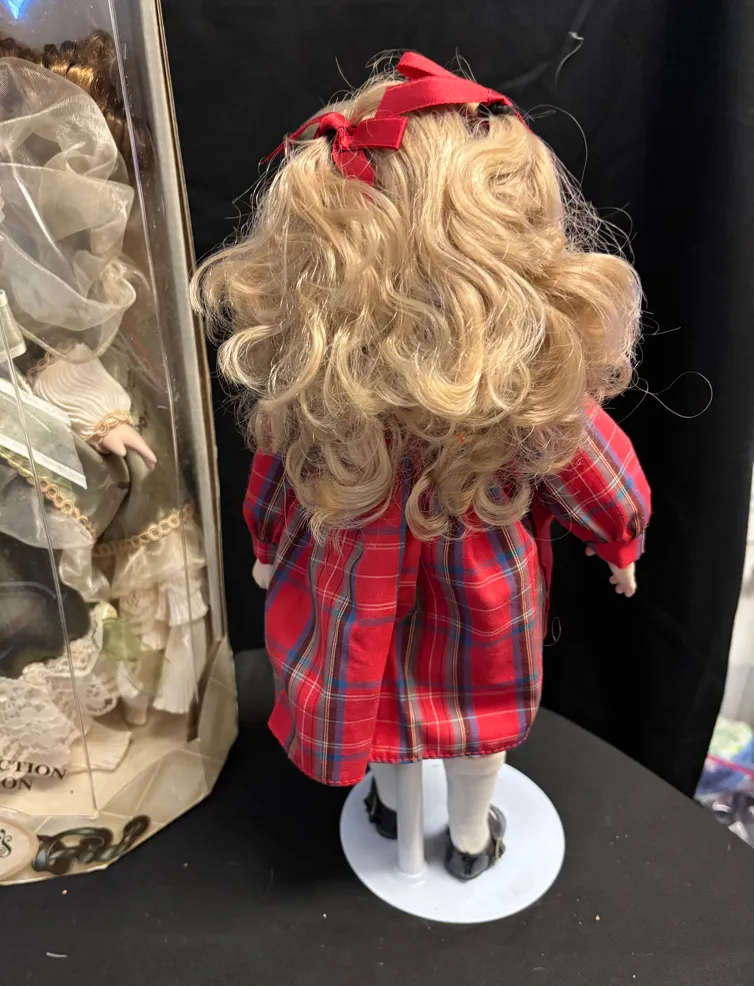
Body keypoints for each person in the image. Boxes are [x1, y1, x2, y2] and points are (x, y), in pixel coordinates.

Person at [194, 52, 651, 880]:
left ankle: (413, 811)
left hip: (355, 585)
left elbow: (276, 469)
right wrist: (619, 538)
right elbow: (594, 468)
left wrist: (264, 544)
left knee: (391, 711)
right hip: (477, 592)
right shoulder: (506, 392)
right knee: (471, 719)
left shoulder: (482, 387)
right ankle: (465, 836)